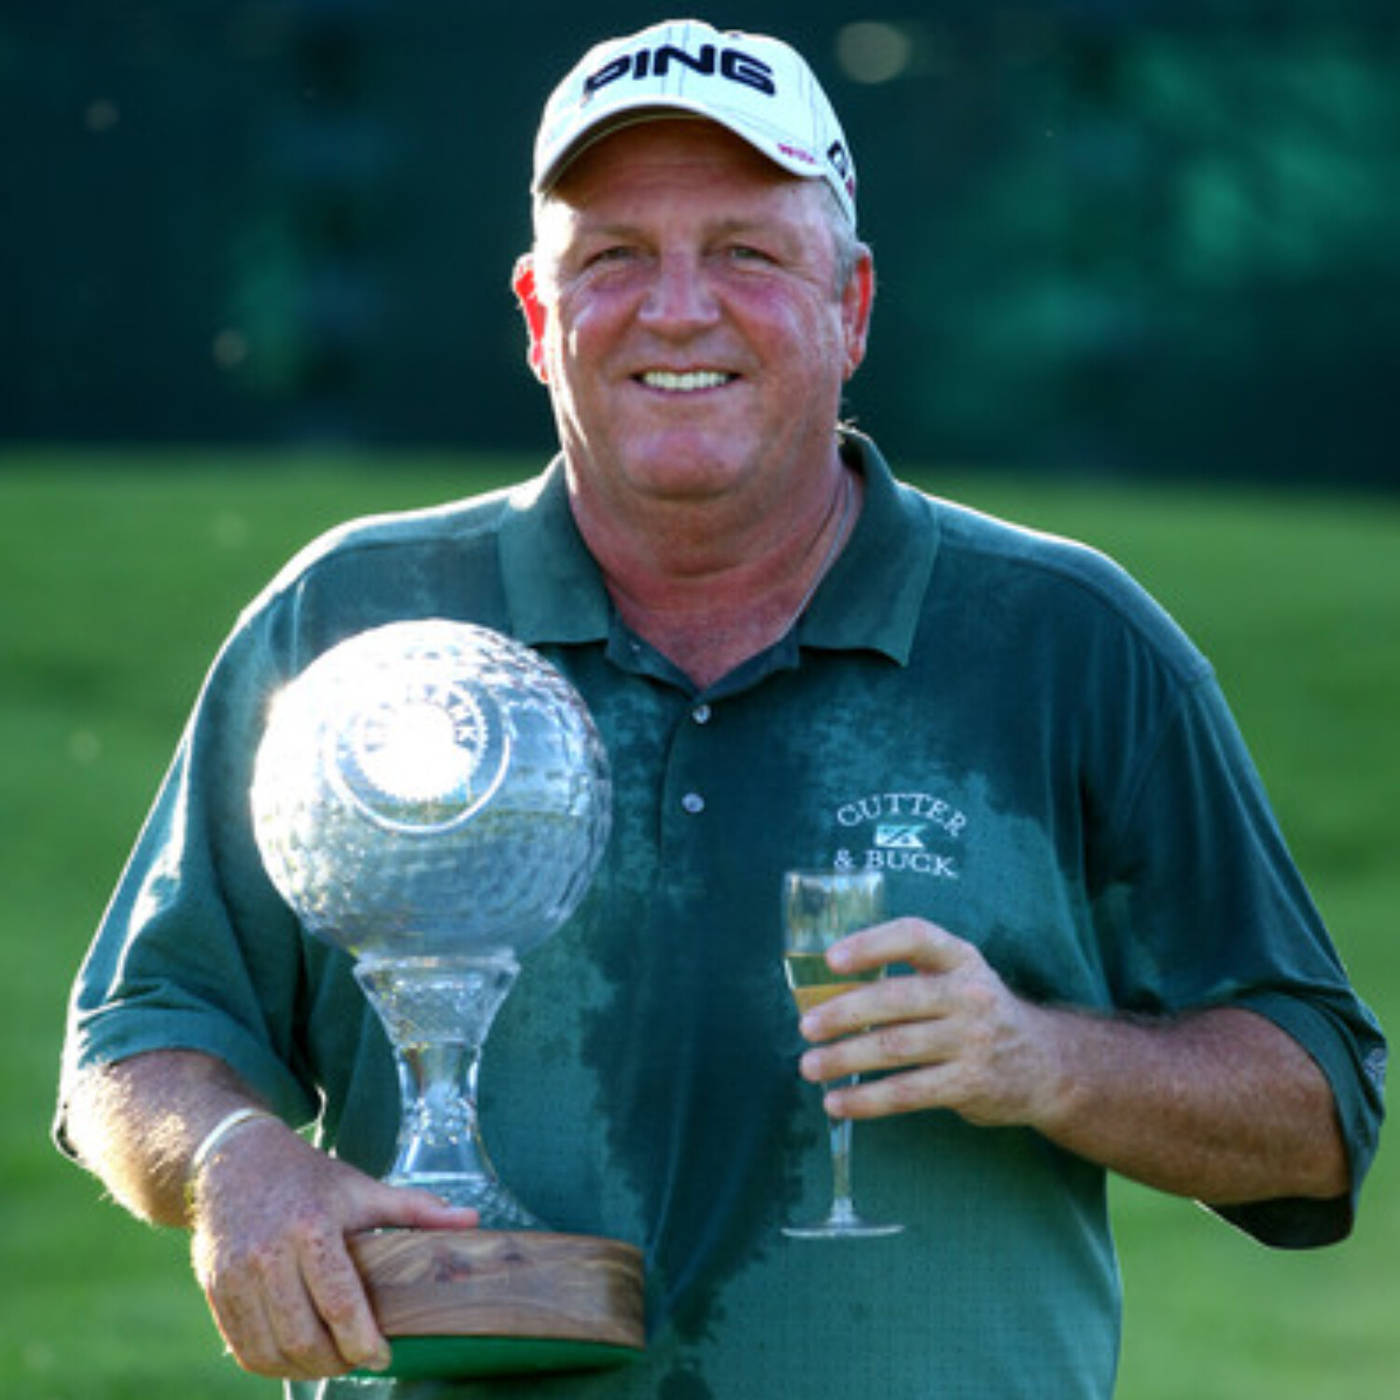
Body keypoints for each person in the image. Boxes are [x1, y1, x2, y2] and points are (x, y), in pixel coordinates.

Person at [57, 18, 1385, 1400]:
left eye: (746, 253)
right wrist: (231, 1165)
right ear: (535, 315)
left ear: (854, 306)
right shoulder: (351, 622)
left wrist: (1042, 1059)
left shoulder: (1068, 641)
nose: (676, 308)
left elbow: (1318, 1111)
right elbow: (143, 1031)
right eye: (613, 256)